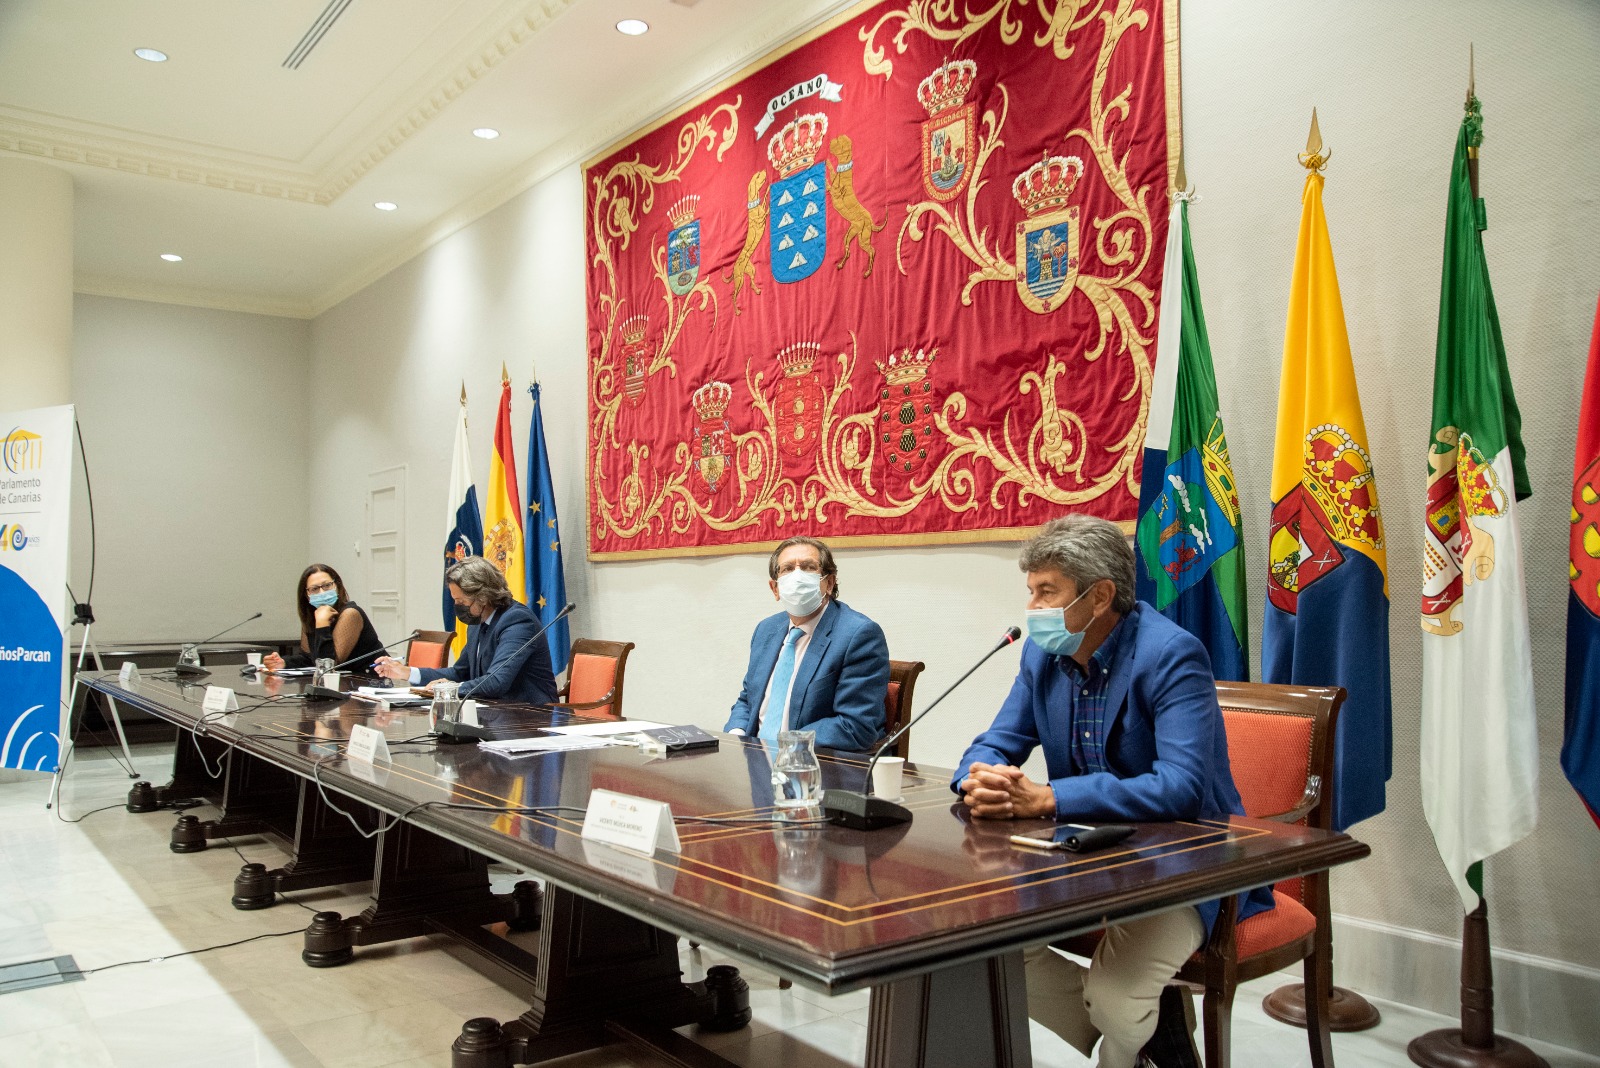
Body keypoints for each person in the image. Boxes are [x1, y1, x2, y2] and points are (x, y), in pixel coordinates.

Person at [951, 515, 1273, 1068]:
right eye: (1031, 591)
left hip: (1185, 865)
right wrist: (978, 777)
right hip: (1084, 860)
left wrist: (1051, 798)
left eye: (1047, 591)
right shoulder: (1042, 654)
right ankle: (1152, 1027)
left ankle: (1126, 1035)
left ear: (1100, 597)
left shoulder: (1171, 653)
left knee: (1118, 998)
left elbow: (1180, 788)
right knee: (979, 944)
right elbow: (996, 742)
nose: (1032, 607)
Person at [724, 536, 890, 751]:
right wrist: (735, 737)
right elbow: (748, 699)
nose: (797, 576)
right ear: (775, 589)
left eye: (809, 567)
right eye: (787, 569)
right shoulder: (766, 630)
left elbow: (855, 726)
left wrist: (786, 747)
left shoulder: (859, 635)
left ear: (829, 583)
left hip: (813, 762)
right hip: (755, 759)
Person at [372, 555, 556, 704]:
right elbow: (460, 673)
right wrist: (407, 672)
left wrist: (448, 689)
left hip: (530, 715)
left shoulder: (517, 621)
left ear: (483, 596)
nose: (457, 607)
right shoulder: (477, 623)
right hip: (494, 712)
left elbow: (496, 682)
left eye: (461, 601)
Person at [263, 563, 386, 675]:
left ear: (337, 585)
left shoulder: (350, 614)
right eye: (314, 589)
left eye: (327, 585)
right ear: (307, 595)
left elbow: (329, 666)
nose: (322, 592)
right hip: (343, 682)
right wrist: (283, 663)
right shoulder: (313, 615)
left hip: (370, 680)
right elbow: (310, 658)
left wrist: (322, 624)